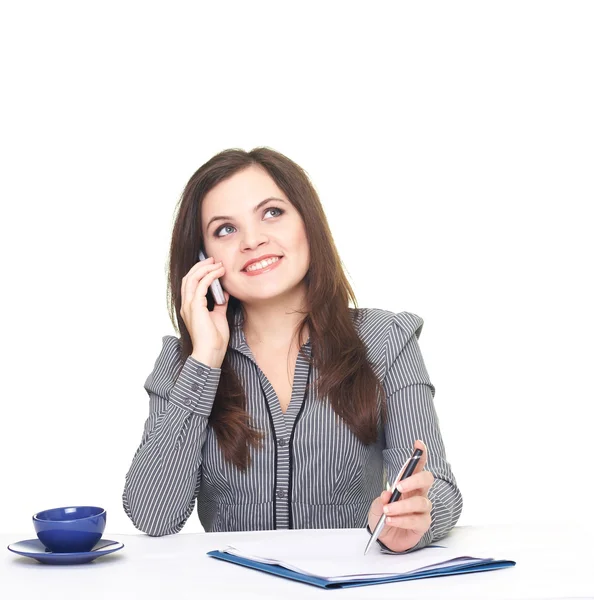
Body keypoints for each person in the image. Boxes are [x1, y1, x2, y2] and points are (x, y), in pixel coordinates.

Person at [122, 147, 463, 554]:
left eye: (271, 213)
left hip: (348, 585)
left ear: (307, 222)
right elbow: (152, 515)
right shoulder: (184, 362)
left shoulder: (387, 339)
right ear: (204, 260)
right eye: (225, 230)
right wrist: (206, 358)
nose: (253, 241)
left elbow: (439, 488)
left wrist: (416, 516)